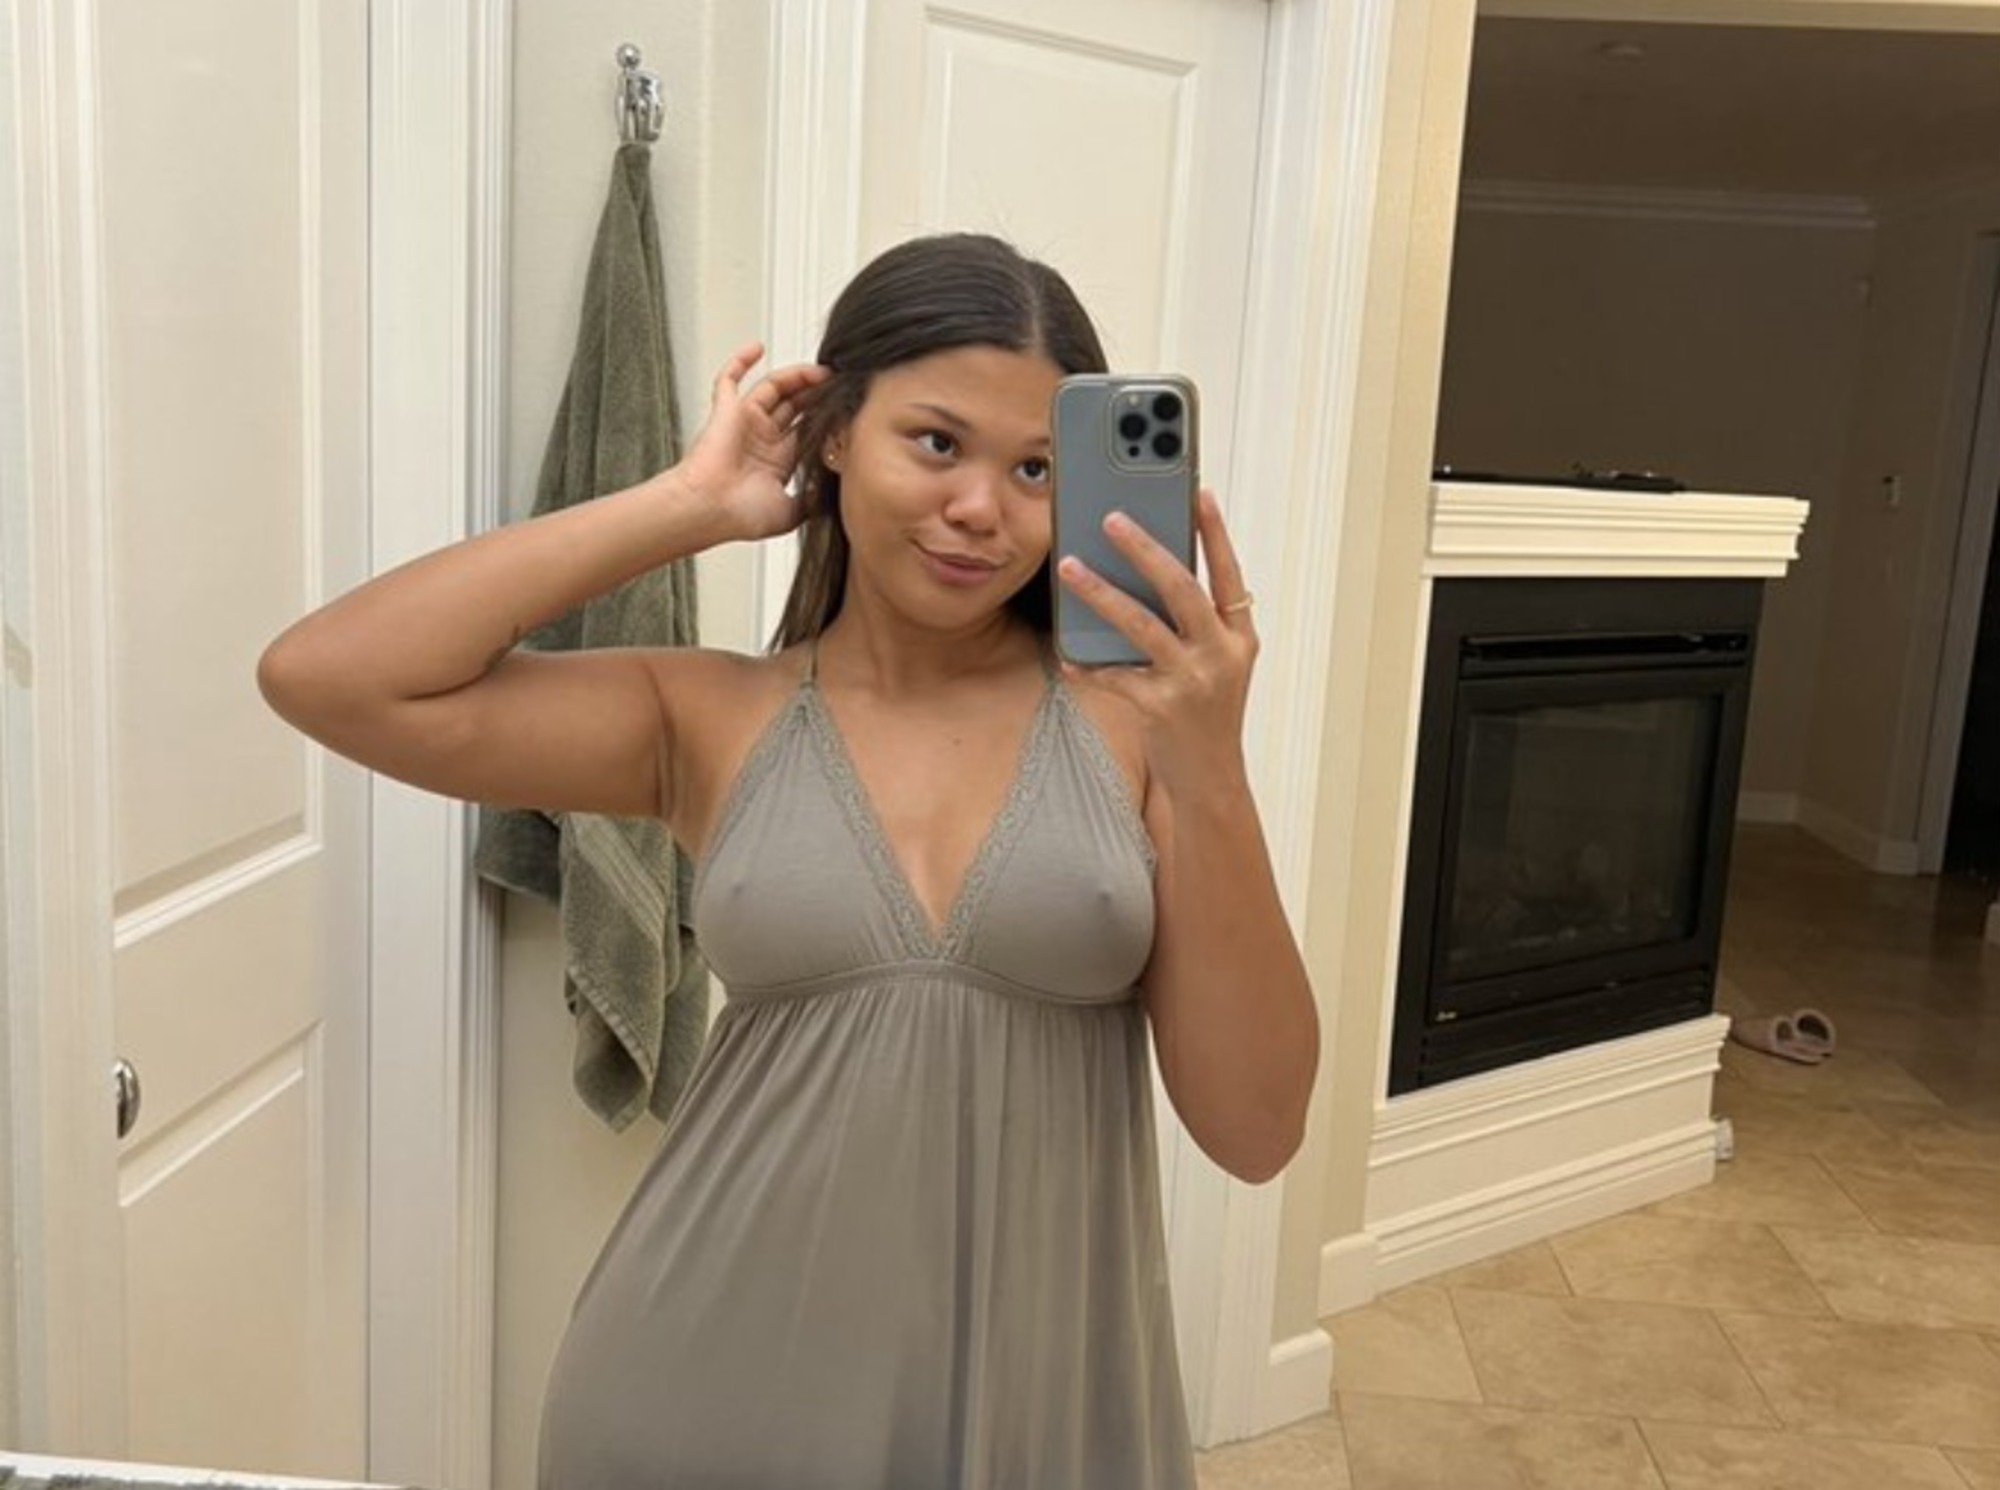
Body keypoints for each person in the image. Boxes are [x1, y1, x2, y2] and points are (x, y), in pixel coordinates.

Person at [259, 232, 1318, 1489]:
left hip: (1036, 1407)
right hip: (703, 1386)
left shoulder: (1141, 729)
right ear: (833, 433)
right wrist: (688, 504)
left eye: (1035, 466)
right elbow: (328, 675)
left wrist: (1211, 764)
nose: (982, 508)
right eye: (936, 441)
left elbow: (1255, 1128)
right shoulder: (707, 715)